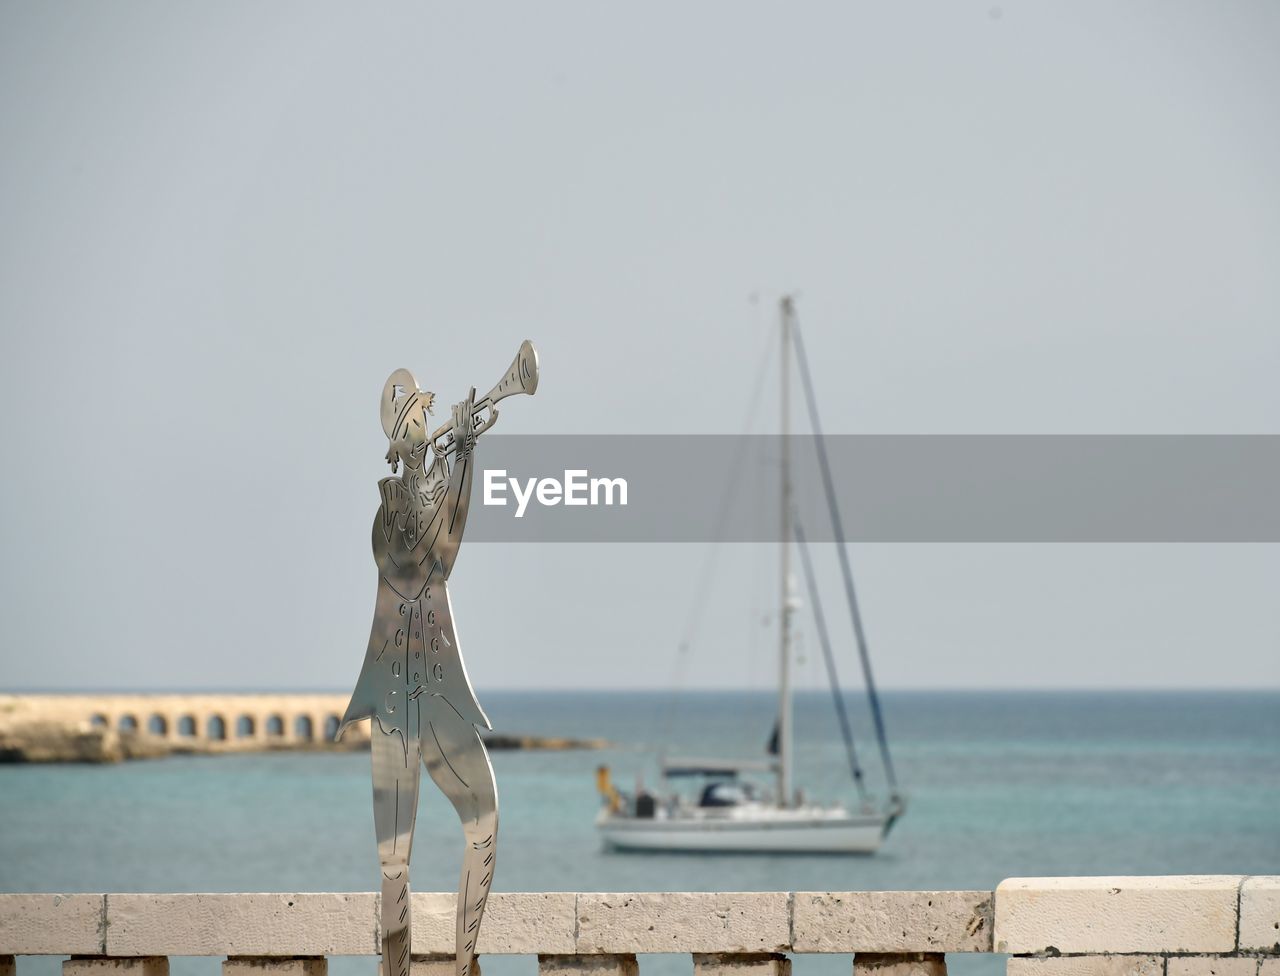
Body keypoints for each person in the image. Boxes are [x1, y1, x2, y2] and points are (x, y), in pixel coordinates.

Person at [337, 369, 496, 976]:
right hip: (403, 705)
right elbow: (435, 552)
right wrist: (460, 460)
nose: (429, 445)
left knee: (483, 824)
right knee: (395, 863)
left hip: (430, 698)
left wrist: (467, 452)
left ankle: (460, 964)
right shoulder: (390, 516)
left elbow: (449, 534)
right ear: (402, 446)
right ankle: (396, 969)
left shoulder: (421, 501)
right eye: (422, 435)